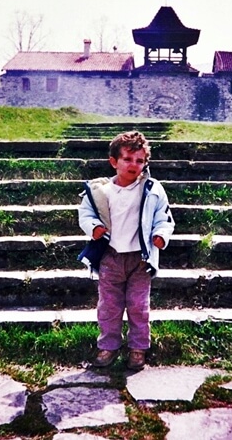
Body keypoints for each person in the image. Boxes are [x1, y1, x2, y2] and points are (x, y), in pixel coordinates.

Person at [77, 130, 175, 370]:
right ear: (114, 162)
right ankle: (108, 346)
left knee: (138, 306)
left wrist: (161, 235)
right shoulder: (101, 191)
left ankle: (138, 348)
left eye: (140, 160)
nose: (134, 165)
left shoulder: (152, 189)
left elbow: (164, 217)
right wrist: (94, 227)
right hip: (110, 256)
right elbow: (85, 214)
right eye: (128, 159)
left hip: (140, 259)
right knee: (109, 306)